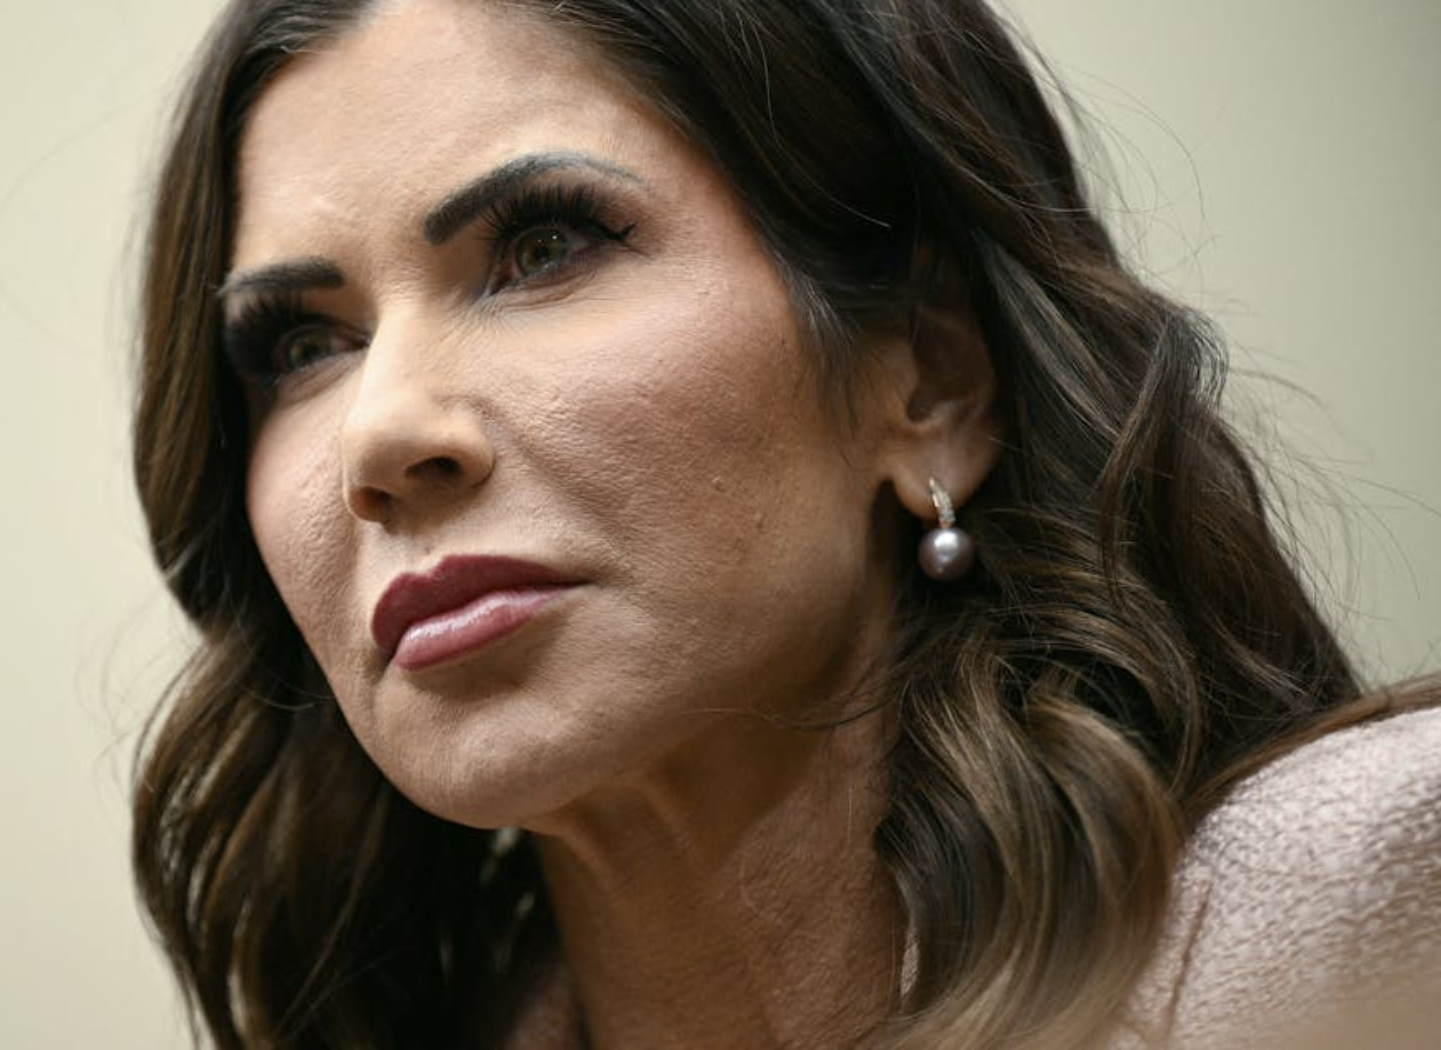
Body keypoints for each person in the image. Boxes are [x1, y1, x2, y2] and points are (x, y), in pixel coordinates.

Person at [126, 0, 1441, 1046]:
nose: (377, 435)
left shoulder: (1385, 901)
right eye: (301, 346)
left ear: (929, 385)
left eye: (544, 248)